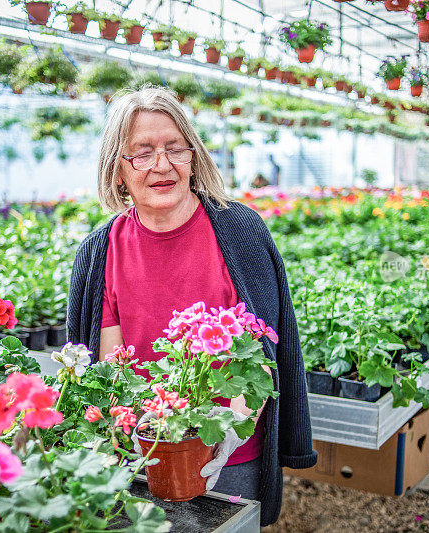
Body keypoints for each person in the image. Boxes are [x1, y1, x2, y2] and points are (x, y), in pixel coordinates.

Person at [67, 86, 316, 527]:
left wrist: (228, 431)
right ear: (117, 171)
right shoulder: (99, 252)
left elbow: (261, 353)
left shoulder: (239, 231)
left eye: (175, 149)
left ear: (193, 158)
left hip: (231, 453)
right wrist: (146, 440)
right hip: (142, 451)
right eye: (141, 153)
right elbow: (109, 368)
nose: (162, 165)